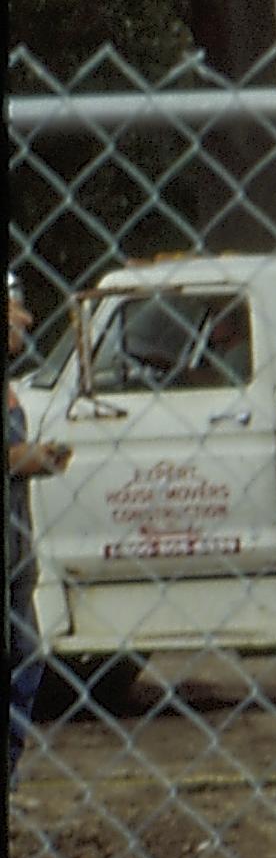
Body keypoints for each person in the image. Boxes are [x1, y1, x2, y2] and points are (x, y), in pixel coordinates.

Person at [8, 271, 77, 779]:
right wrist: (22, 457)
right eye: (16, 306)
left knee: (25, 664)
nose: (28, 318)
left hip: (16, 563)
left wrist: (37, 457)